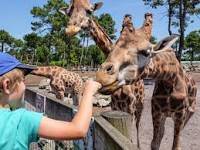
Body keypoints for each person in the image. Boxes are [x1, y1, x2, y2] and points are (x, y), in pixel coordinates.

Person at [0, 52, 102, 150]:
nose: (24, 84)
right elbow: (79, 129)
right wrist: (88, 92)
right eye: (23, 80)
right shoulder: (21, 119)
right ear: (7, 85)